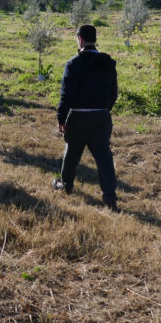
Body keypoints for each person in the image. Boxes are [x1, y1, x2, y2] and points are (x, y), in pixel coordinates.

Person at [54, 24, 119, 211]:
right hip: (102, 116)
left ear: (80, 40)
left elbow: (66, 95)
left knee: (72, 153)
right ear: (95, 39)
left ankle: (66, 185)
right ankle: (109, 196)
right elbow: (114, 92)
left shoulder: (73, 64)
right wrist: (105, 109)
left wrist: (61, 118)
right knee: (104, 157)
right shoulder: (108, 62)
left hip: (79, 116)